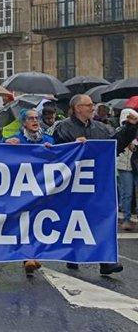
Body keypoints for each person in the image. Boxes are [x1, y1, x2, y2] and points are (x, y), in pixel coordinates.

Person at [53, 94, 123, 275]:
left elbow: (116, 145)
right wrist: (72, 145)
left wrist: (130, 128)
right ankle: (73, 253)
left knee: (101, 219)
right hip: (73, 183)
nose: (93, 108)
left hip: (98, 182)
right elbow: (57, 152)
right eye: (89, 105)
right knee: (74, 219)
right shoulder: (63, 127)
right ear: (77, 108)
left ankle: (106, 261)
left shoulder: (102, 128)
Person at [3, 108, 54, 276]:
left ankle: (34, 254)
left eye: (36, 118)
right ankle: (28, 257)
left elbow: (60, 155)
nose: (35, 121)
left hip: (41, 189)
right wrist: (5, 144)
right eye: (31, 118)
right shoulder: (16, 139)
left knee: (38, 222)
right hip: (21, 189)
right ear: (23, 122)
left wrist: (53, 149)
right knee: (23, 222)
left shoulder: (47, 139)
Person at [115, 108, 138, 231]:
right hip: (124, 166)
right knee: (127, 193)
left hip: (136, 165)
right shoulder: (119, 131)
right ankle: (126, 219)